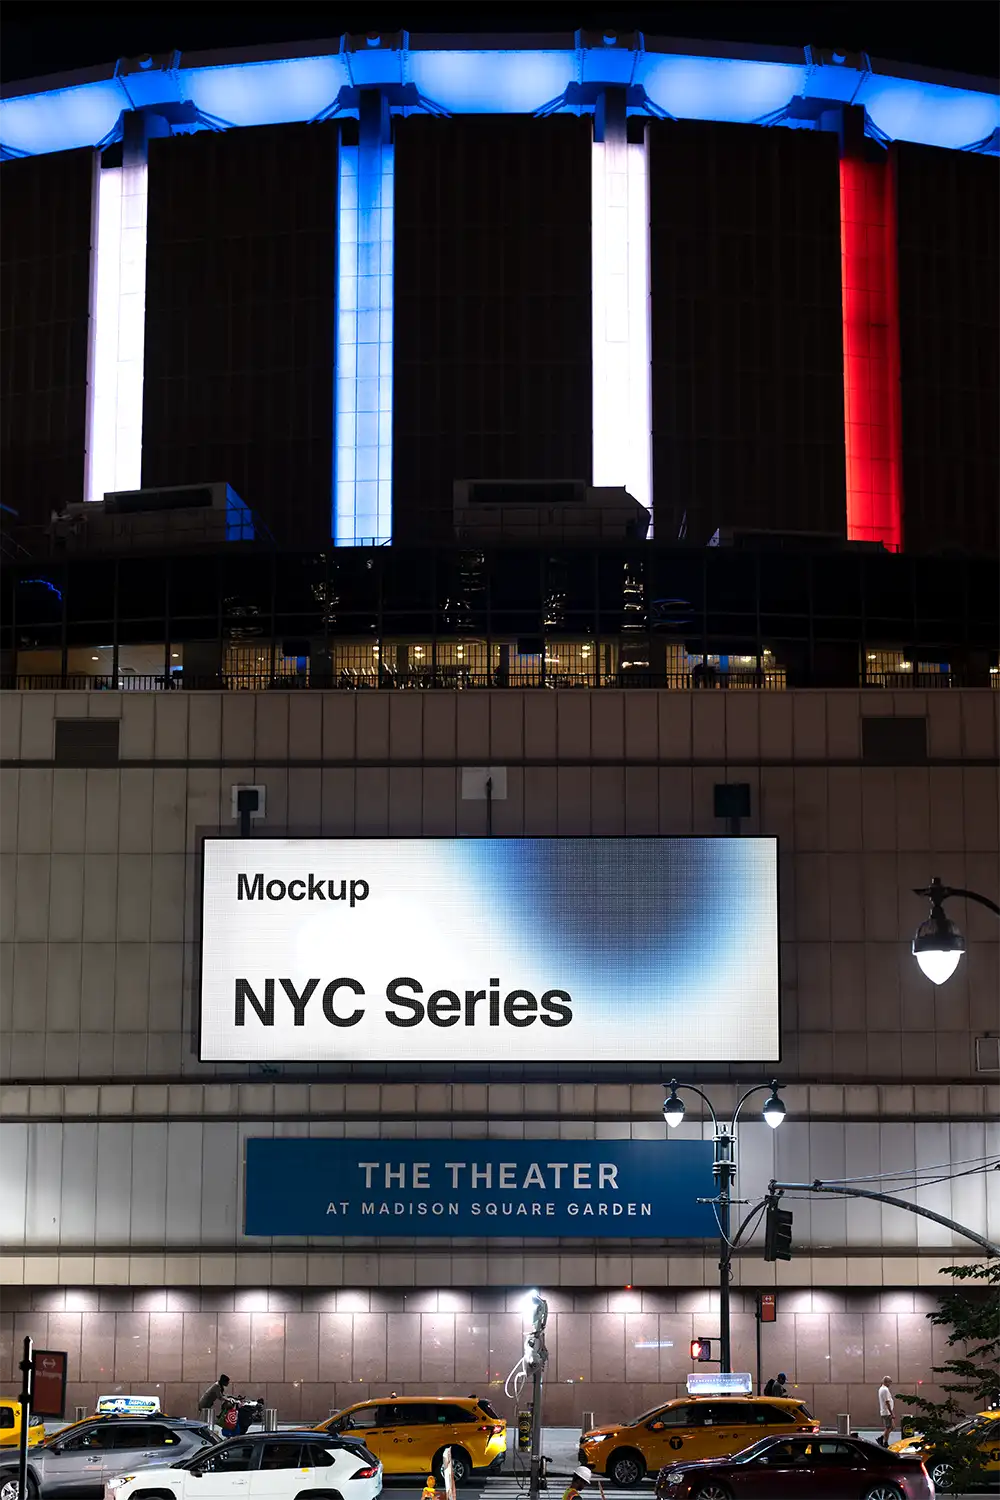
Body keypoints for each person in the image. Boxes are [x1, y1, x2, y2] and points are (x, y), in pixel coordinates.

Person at [878, 1376, 894, 1446]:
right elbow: (887, 1402)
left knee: (892, 1427)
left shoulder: (881, 1389)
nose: (890, 1384)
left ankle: (881, 1438)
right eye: (890, 1382)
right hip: (887, 1412)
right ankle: (885, 1443)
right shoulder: (885, 1390)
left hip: (885, 1412)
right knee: (888, 1427)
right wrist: (892, 1413)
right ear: (886, 1382)